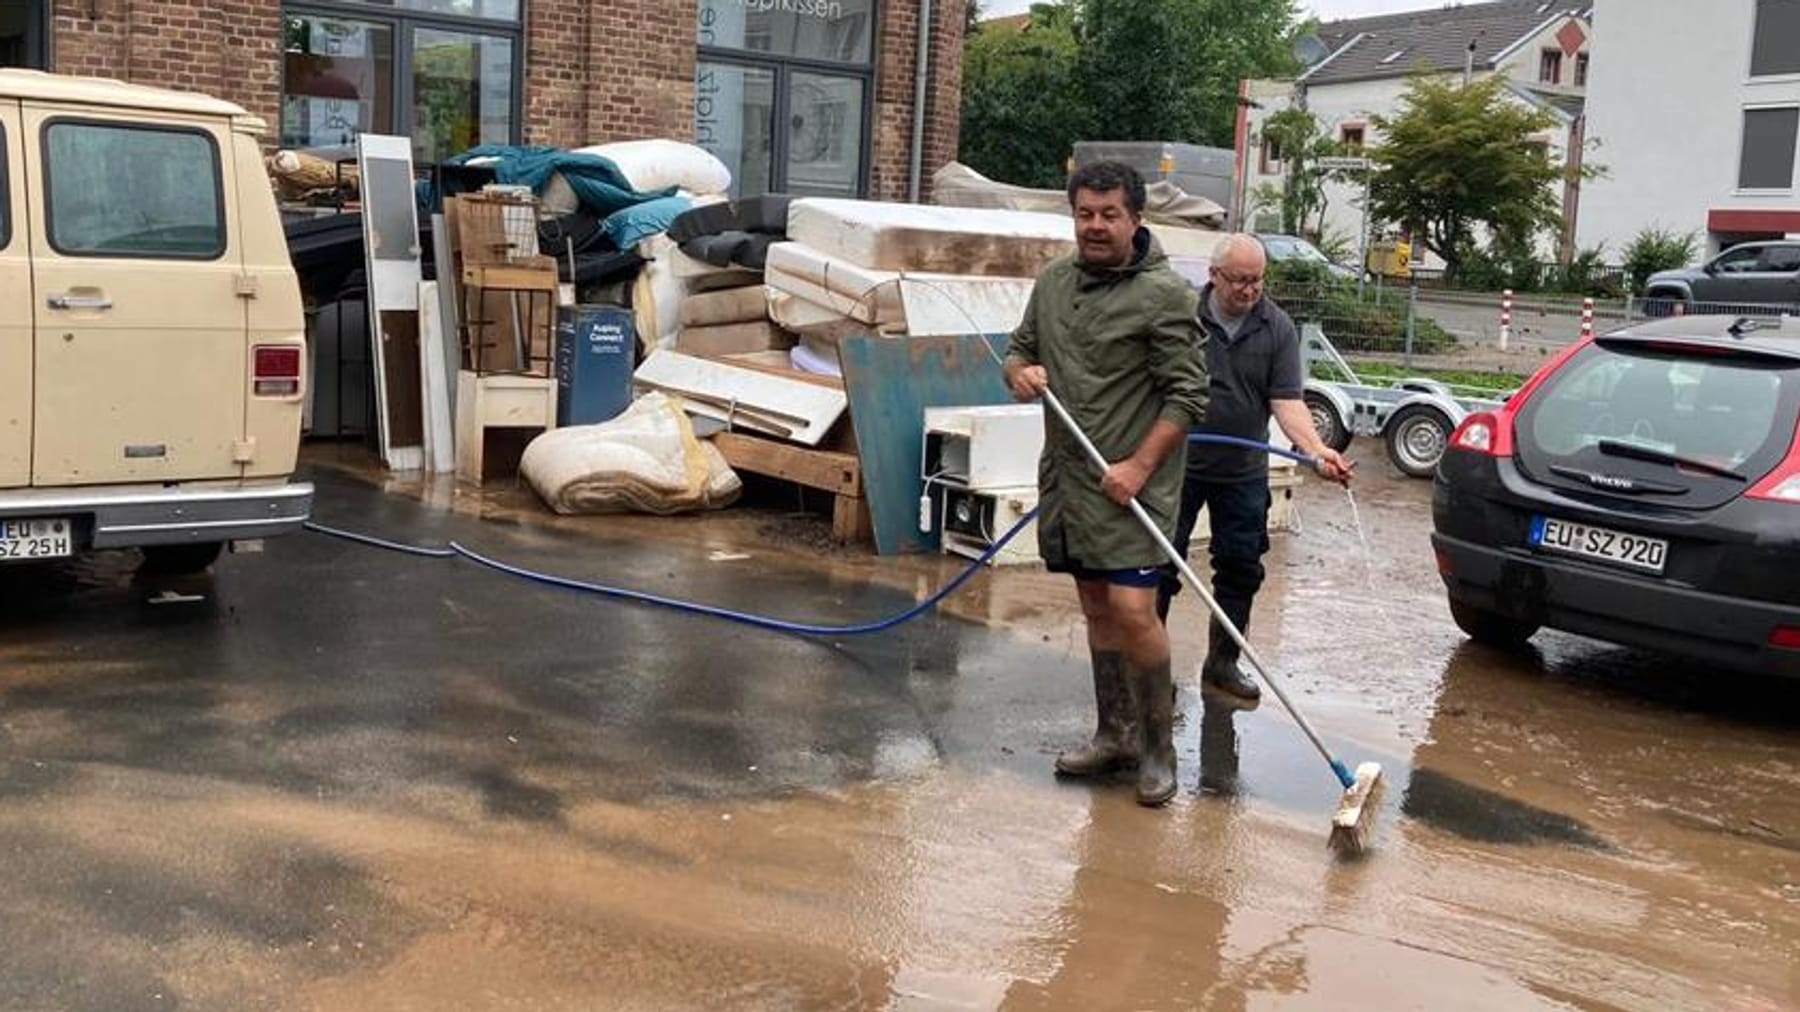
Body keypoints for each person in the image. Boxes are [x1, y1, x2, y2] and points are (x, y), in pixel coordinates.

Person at [1004, 162, 1209, 808]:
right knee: (1096, 609)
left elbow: (1188, 396)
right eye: (1085, 214)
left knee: (1133, 611)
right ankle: (1114, 735)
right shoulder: (1054, 284)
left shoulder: (1166, 295)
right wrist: (1019, 373)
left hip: (1134, 487)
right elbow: (1018, 349)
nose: (1095, 226)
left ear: (1135, 219)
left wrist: (1139, 467)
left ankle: (1157, 750)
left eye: (1109, 214)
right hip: (1071, 481)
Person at [1159, 234, 1354, 704]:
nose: (1250, 290)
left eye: (1257, 280)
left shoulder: (1276, 327)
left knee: (1241, 568)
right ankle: (1149, 666)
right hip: (1177, 465)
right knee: (1159, 564)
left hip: (1243, 470)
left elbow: (1287, 401)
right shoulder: (1183, 317)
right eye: (1240, 280)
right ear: (1214, 276)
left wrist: (1316, 449)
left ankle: (1222, 664)